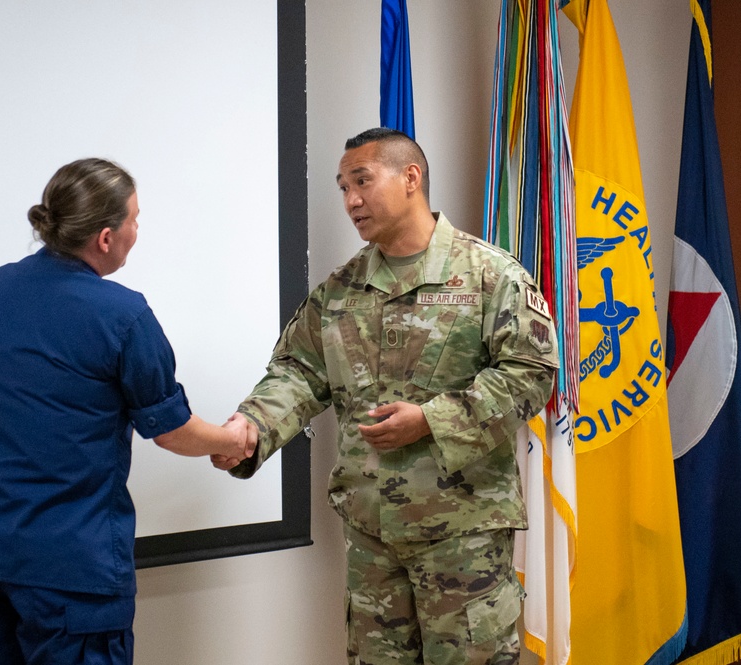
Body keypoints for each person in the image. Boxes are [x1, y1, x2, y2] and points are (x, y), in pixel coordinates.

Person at [215, 128, 558, 665]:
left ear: (411, 178)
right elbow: (299, 372)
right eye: (343, 187)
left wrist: (431, 419)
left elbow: (531, 373)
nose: (351, 200)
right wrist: (252, 427)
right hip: (373, 535)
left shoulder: (490, 275)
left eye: (362, 181)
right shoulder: (340, 290)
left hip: (461, 534)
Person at [0, 157, 255, 665]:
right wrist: (233, 439)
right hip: (66, 573)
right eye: (134, 220)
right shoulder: (123, 315)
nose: (136, 230)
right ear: (106, 237)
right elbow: (171, 431)